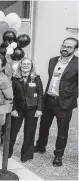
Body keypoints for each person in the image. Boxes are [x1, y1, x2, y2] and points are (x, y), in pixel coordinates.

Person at [35, 37, 78, 167]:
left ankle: (58, 155)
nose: (65, 48)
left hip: (64, 103)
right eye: (64, 45)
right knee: (44, 125)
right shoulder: (53, 61)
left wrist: (72, 97)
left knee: (62, 131)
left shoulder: (77, 63)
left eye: (69, 47)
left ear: (75, 49)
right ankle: (40, 146)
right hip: (48, 99)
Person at [9, 58, 43, 163]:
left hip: (32, 109)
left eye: (28, 64)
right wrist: (13, 108)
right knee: (13, 131)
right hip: (18, 109)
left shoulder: (36, 78)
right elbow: (11, 95)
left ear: (31, 66)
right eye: (24, 64)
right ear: (20, 65)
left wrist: (39, 109)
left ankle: (26, 155)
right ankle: (8, 152)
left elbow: (40, 94)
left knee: (29, 132)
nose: (26, 65)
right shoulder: (14, 78)